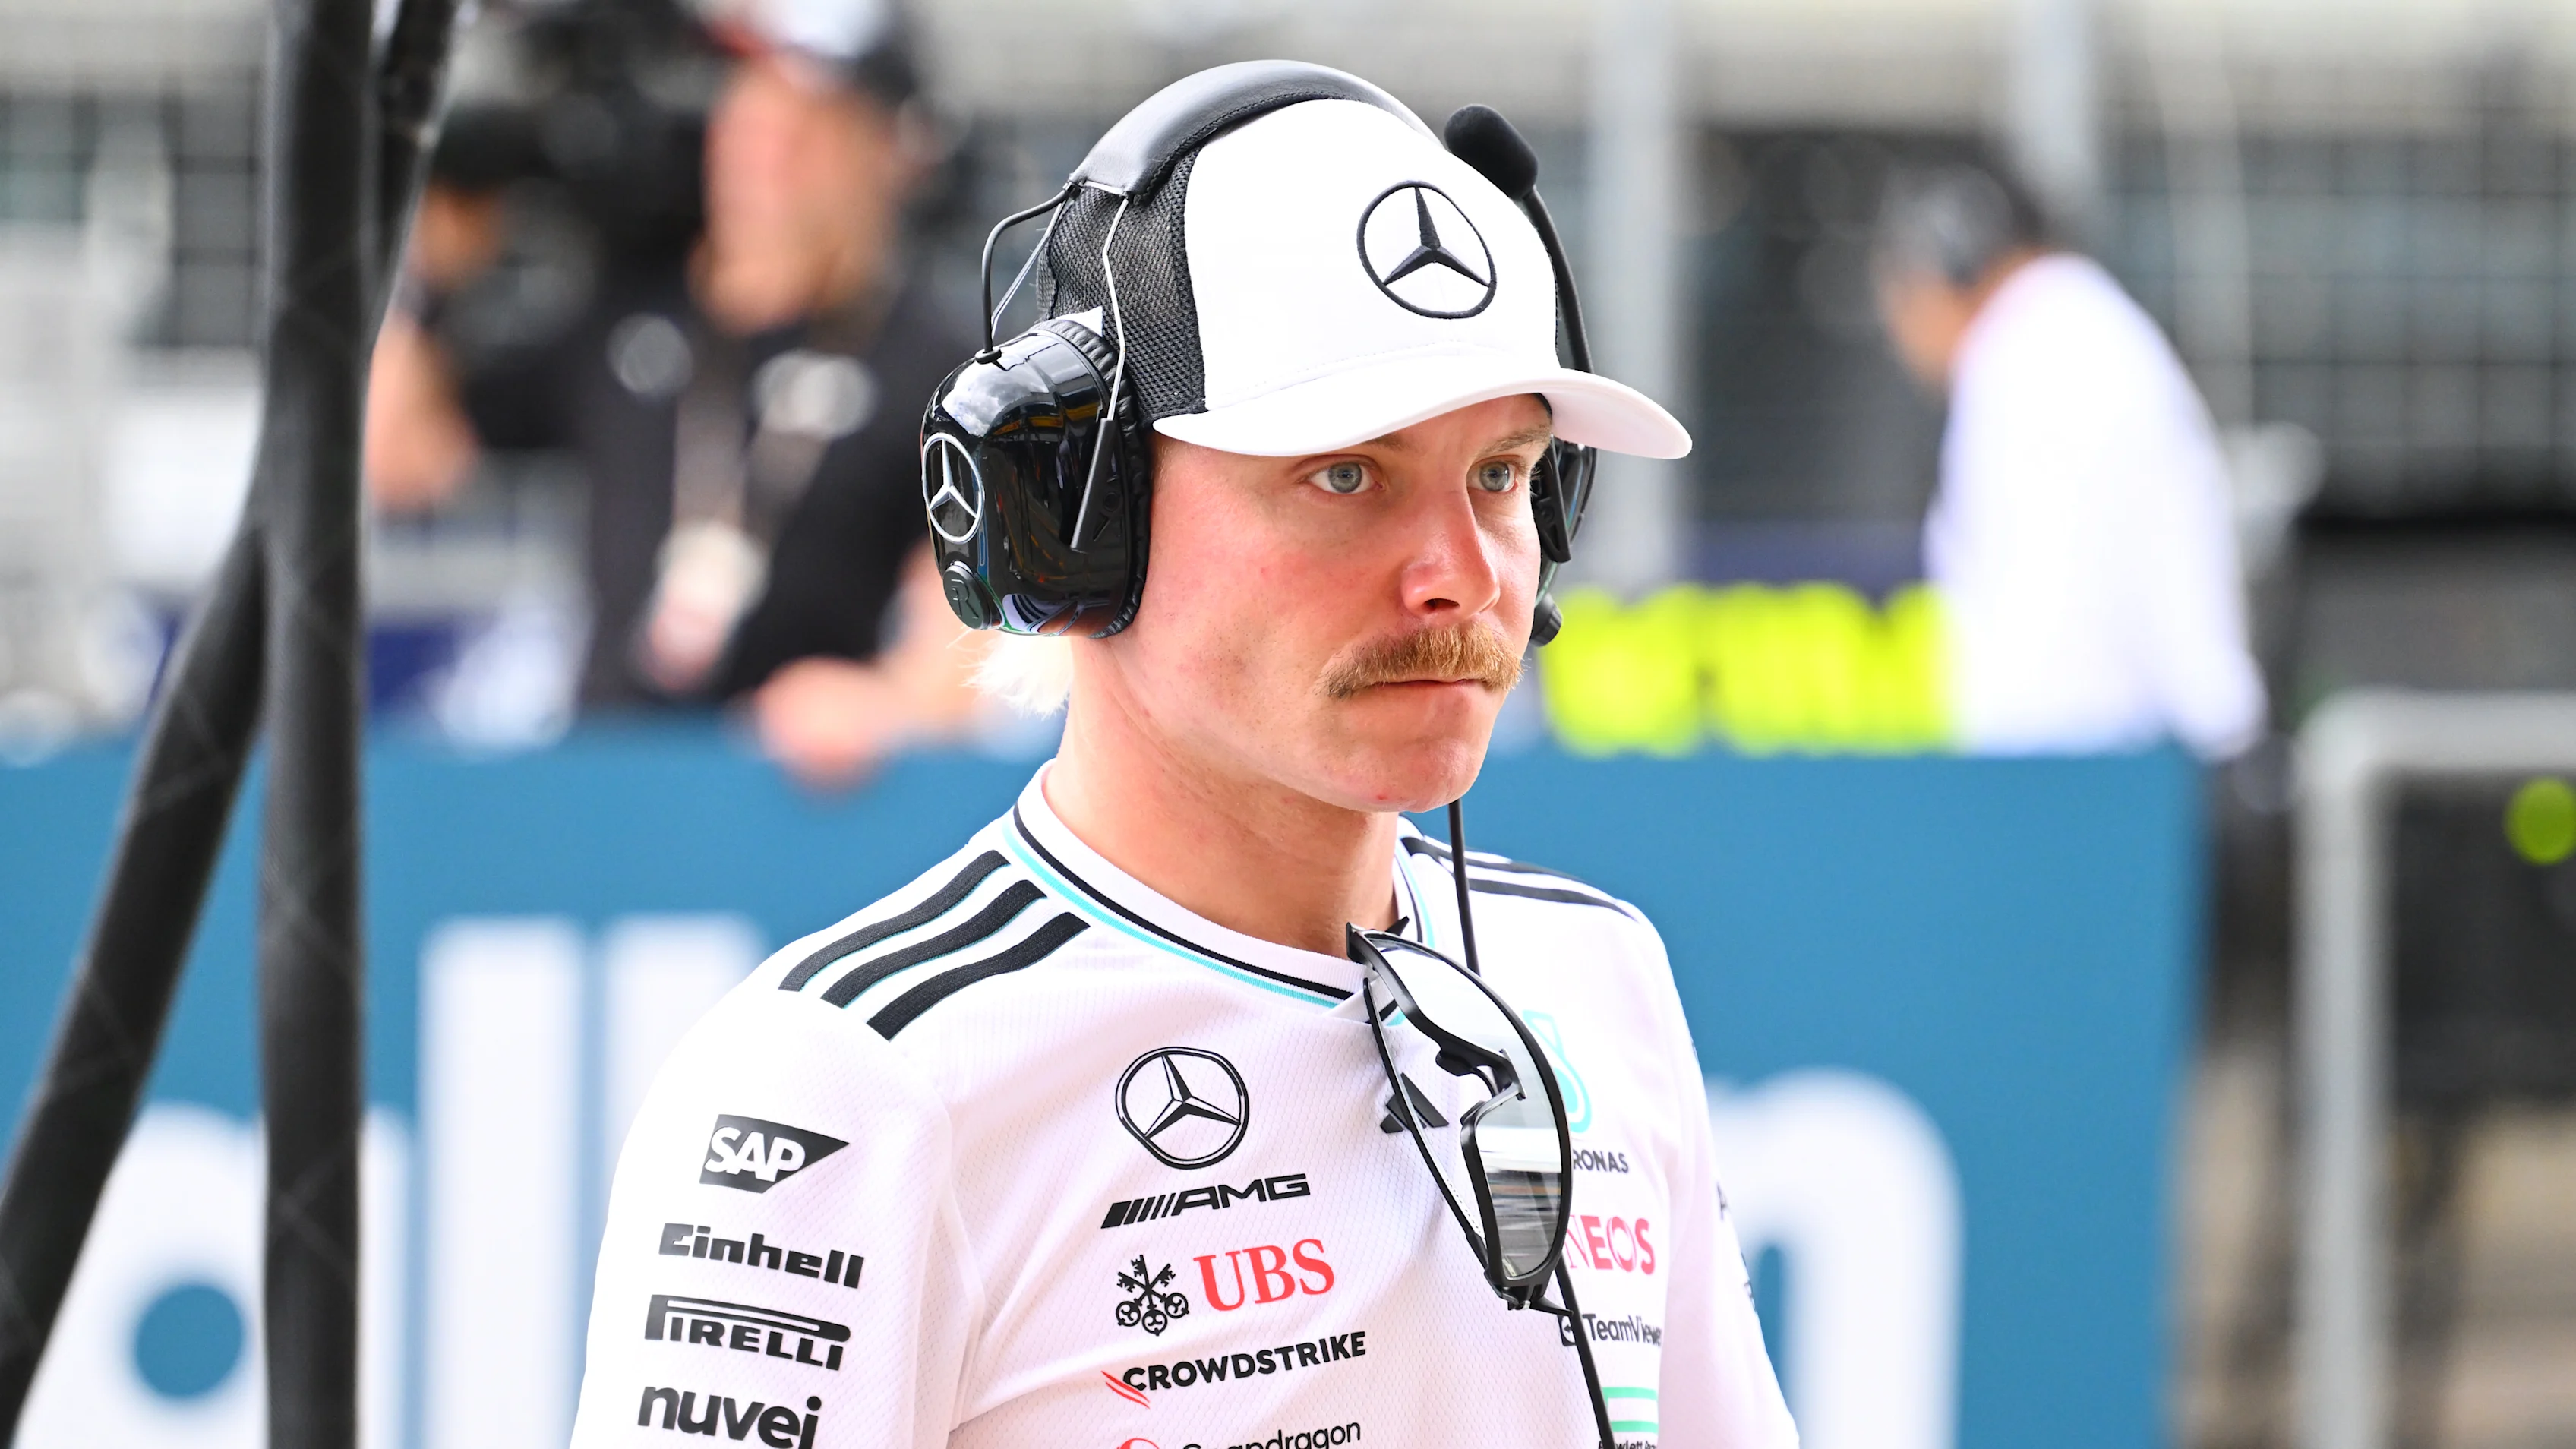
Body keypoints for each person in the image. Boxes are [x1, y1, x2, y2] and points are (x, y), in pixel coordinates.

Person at [569, 64, 1794, 1449]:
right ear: (1073, 522)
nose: (1459, 575)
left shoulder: (1602, 974)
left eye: (1501, 476)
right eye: (1345, 476)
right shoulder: (848, 1088)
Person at [364, 0, 980, 785]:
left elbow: (973, 628)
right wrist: (433, 276)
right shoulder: (628, 310)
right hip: (605, 785)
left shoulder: (932, 361)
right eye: (744, 118)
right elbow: (400, 462)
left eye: (806, 126)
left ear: (887, 150)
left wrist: (887, 703)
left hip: (799, 802)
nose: (765, 153)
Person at [1872, 159, 2265, 758]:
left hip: (2089, 774)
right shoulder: (2078, 335)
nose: (1899, 333)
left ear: (1948, 264)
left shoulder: (2033, 356)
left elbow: (2046, 650)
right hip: (2134, 764)